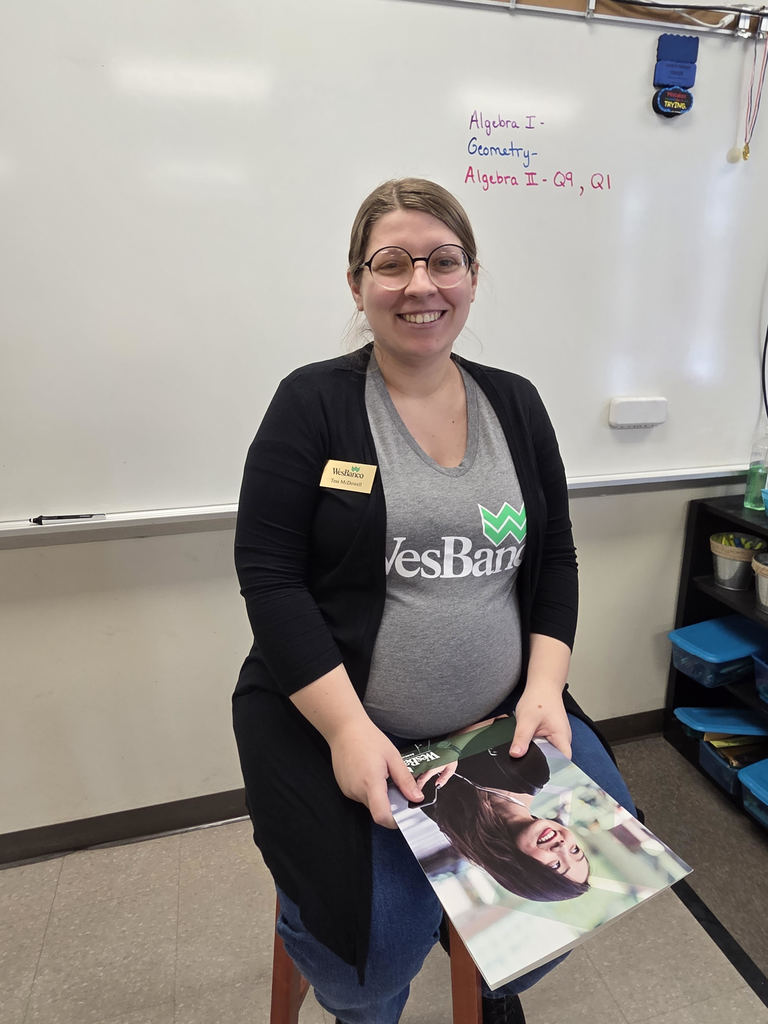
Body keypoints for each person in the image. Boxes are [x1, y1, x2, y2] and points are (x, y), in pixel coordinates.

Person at [232, 177, 636, 1024]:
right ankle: (365, 1006)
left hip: (499, 715)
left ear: (473, 276)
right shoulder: (313, 404)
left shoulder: (515, 404)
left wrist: (543, 689)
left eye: (443, 261)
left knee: (604, 851)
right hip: (338, 719)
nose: (421, 284)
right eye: (392, 263)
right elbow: (269, 576)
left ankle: (491, 976)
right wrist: (347, 729)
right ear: (357, 284)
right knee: (373, 954)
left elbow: (553, 555)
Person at [416, 737, 591, 900]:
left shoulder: (451, 820)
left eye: (556, 865)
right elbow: (494, 716)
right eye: (575, 850)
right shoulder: (533, 772)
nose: (562, 846)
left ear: (522, 871)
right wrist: (454, 748)